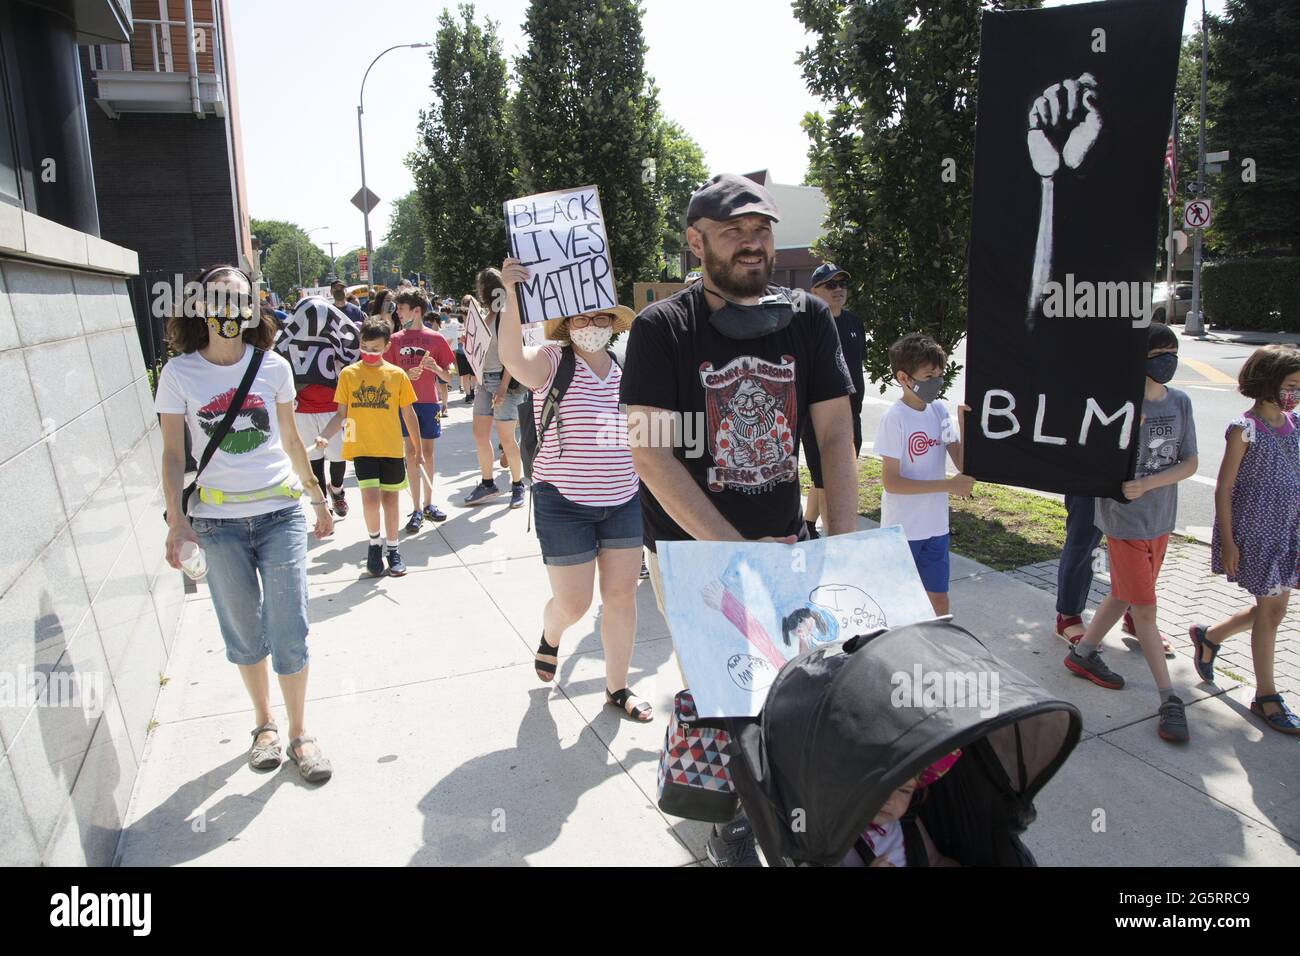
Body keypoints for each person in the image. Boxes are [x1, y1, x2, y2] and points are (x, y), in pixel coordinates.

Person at [620, 173, 858, 866]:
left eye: (761, 231)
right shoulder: (664, 329)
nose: (753, 246)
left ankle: (782, 800)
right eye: (733, 233)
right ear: (696, 243)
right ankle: (729, 818)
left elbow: (836, 437)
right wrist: (733, 551)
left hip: (785, 541)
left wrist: (840, 543)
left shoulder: (808, 318)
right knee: (723, 686)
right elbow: (651, 456)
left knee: (791, 684)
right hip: (691, 550)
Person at [156, 264, 334, 783]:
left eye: (240, 298)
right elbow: (172, 453)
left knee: (289, 625)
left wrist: (317, 498)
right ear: (201, 308)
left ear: (253, 308)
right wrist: (176, 518)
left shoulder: (273, 366)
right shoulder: (179, 374)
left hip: (280, 515)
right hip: (216, 525)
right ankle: (264, 727)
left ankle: (301, 734)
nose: (230, 307)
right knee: (243, 631)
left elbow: (291, 440)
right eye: (219, 297)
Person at [495, 258, 652, 721]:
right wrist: (508, 294)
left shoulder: (629, 368)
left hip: (623, 499)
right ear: (566, 325)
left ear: (612, 324)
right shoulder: (551, 362)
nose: (591, 325)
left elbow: (647, 431)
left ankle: (618, 688)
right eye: (581, 317)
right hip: (563, 503)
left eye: (601, 316)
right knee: (574, 603)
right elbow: (509, 357)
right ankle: (551, 636)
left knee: (621, 597)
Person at [1064, 323, 1198, 743]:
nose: (1168, 360)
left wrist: (1148, 485)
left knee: (1125, 592)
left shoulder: (1180, 403)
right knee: (1144, 610)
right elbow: (1087, 456)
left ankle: (1083, 654)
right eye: (1159, 352)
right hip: (1124, 524)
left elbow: (1190, 462)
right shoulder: (1116, 405)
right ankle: (1169, 698)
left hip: (1161, 519)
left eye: (1172, 351)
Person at [1191, 344, 1300, 735]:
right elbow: (1224, 488)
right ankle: (1266, 696)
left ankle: (1210, 637)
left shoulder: (1296, 422)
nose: (1296, 394)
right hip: (1257, 532)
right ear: (1267, 381)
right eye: (1291, 385)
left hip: (1290, 530)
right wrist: (1230, 542)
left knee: (1272, 610)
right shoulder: (1245, 428)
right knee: (1271, 611)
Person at [316, 317, 421, 577]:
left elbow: (409, 414)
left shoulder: (397, 375)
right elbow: (341, 413)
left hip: (391, 448)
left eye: (375, 349)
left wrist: (415, 448)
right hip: (362, 447)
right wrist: (325, 436)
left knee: (391, 500)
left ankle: (393, 548)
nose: (369, 353)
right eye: (365, 347)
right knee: (371, 500)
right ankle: (375, 545)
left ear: (386, 347)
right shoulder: (349, 374)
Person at [876, 333, 973, 617]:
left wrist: (966, 427)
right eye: (929, 376)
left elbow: (961, 463)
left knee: (939, 603)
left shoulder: (939, 412)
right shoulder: (894, 419)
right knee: (898, 603)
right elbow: (891, 482)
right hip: (902, 531)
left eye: (940, 375)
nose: (937, 382)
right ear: (904, 378)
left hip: (936, 528)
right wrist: (947, 486)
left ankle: (934, 654)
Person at [278, 295, 359, 518]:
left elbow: (352, 356)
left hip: (332, 408)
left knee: (339, 456)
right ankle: (323, 501)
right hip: (303, 409)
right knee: (313, 459)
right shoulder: (288, 340)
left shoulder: (336, 338)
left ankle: (338, 490)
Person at [800, 263, 865, 538]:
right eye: (830, 285)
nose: (838, 290)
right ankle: (832, 545)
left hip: (852, 416)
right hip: (818, 420)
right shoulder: (805, 325)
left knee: (827, 477)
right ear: (814, 291)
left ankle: (807, 522)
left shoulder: (854, 323)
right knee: (829, 481)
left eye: (842, 284)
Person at [385, 290, 454, 531]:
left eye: (401, 308)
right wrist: (404, 375)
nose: (397, 312)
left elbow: (449, 374)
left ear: (416, 310)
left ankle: (428, 503)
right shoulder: (394, 340)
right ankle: (415, 508)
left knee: (428, 452)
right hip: (405, 404)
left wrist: (436, 369)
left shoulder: (436, 338)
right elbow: (385, 376)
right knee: (411, 453)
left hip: (428, 402)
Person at [463, 270, 527, 509]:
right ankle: (487, 482)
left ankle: (518, 484)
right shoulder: (485, 316)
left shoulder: (506, 315)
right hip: (483, 382)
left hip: (504, 383)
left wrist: (502, 386)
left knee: (507, 439)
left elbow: (512, 353)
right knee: (480, 435)